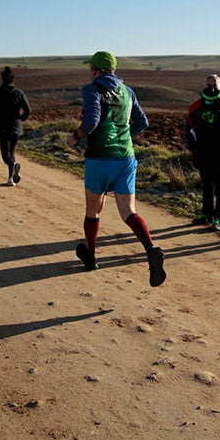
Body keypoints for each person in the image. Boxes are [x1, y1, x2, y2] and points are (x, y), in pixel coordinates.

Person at [67, 51, 166, 287]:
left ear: (96, 69)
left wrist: (75, 137)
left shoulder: (91, 89)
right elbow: (143, 122)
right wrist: (125, 138)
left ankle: (90, 257)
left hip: (100, 159)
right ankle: (151, 249)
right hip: (126, 158)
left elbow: (91, 121)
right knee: (128, 211)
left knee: (93, 210)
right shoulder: (127, 91)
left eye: (90, 68)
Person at [185, 74, 220, 231]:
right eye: (209, 84)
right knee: (206, 186)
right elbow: (190, 128)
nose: (211, 87)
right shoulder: (196, 107)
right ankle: (206, 213)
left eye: (215, 84)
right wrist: (194, 147)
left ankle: (219, 218)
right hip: (204, 154)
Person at [0, 66, 31, 186]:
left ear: (2, 79)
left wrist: (0, 115)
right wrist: (20, 119)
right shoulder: (19, 92)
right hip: (16, 127)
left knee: (5, 155)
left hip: (3, 126)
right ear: (13, 79)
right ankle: (10, 179)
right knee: (11, 152)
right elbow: (27, 110)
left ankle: (13, 166)